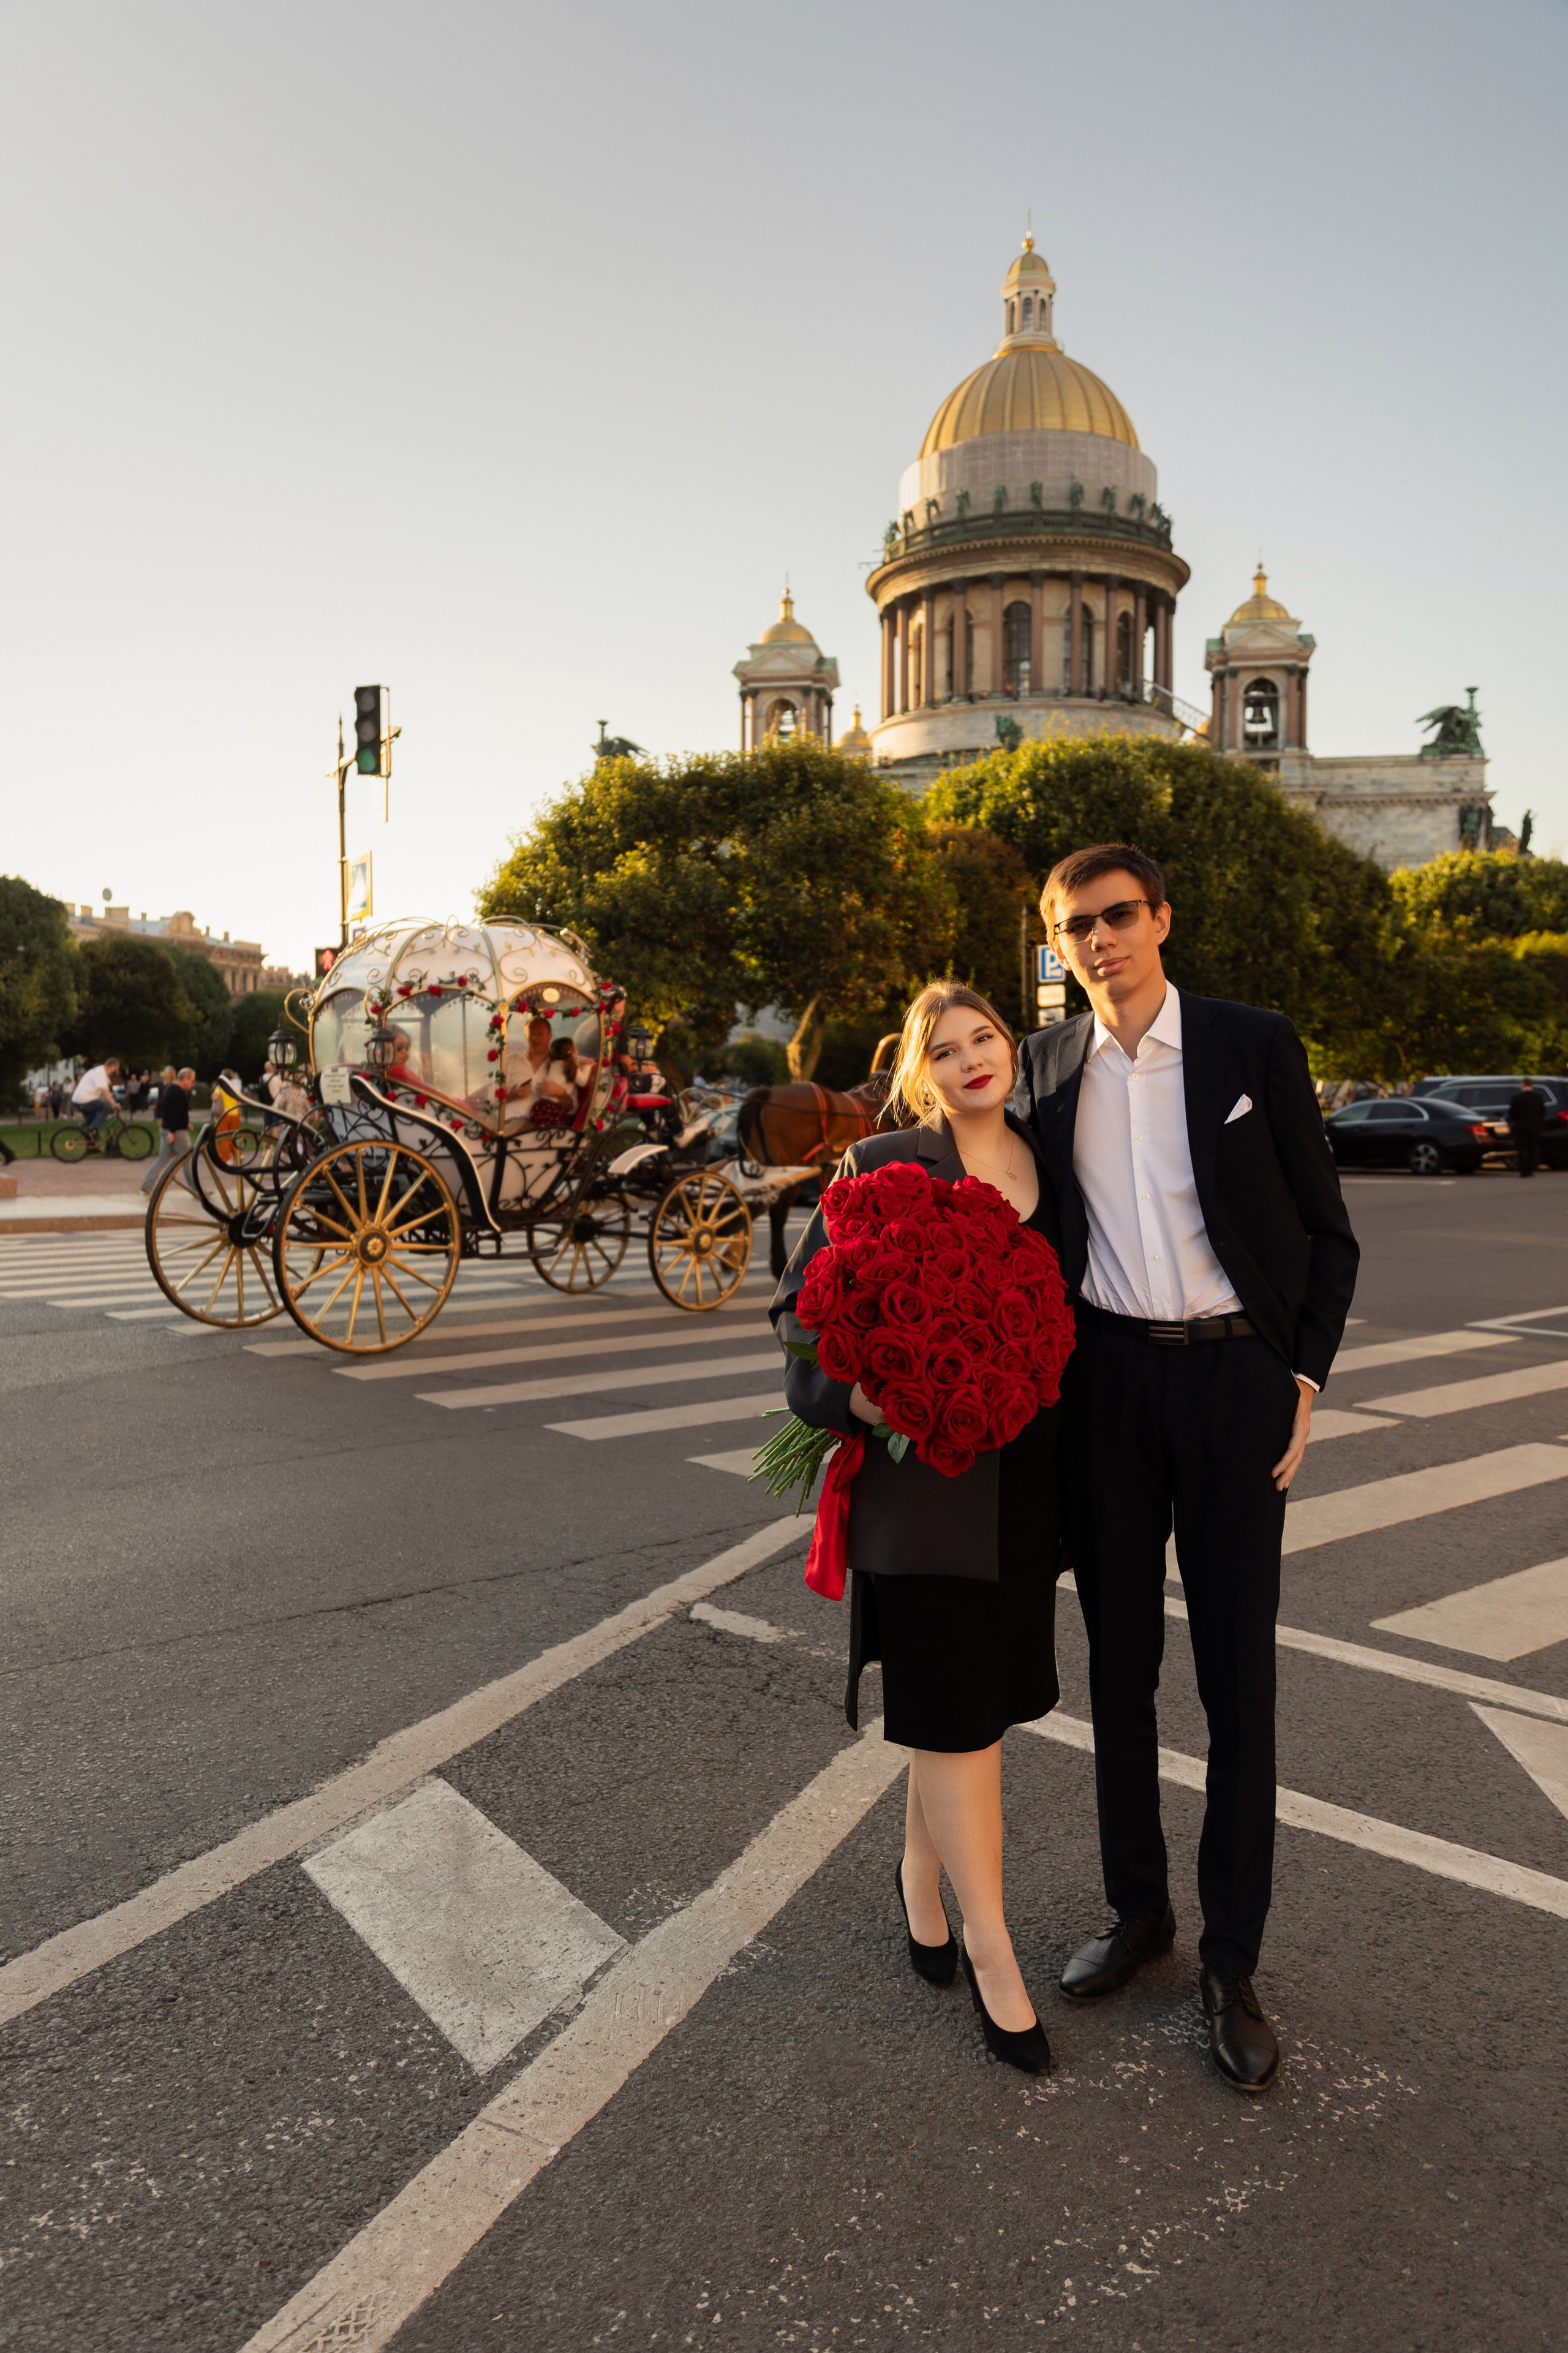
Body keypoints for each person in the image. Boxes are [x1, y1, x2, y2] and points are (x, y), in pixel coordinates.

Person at [1014, 844, 1359, 2094]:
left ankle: (1229, 1958)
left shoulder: (1244, 1043)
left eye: (1116, 916)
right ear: (1056, 947)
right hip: (1106, 1389)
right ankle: (1138, 1911)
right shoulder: (1047, 1067)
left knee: (1235, 1678)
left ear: (1160, 917)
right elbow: (969, 1162)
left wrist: (1298, 1377)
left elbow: (1328, 1233)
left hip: (1230, 1388)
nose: (1098, 939)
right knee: (1117, 1670)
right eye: (1073, 927)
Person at [772, 982, 1061, 2076]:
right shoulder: (888, 1163)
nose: (972, 1058)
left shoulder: (1052, 1161)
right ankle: (994, 1955)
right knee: (955, 1718)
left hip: (1030, 1487)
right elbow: (799, 1310)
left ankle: (917, 1877)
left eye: (984, 1037)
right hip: (924, 1483)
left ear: (1011, 1046)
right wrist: (862, 1401)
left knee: (974, 1705)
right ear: (920, 1073)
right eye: (945, 1049)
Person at [140, 1068, 195, 1194]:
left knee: (162, 1159)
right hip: (177, 1132)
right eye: (192, 1081)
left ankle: (146, 1187)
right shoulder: (177, 1092)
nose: (193, 1084)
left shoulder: (171, 1089)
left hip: (169, 1129)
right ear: (185, 1079)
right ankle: (196, 1189)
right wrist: (172, 1131)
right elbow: (175, 1113)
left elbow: (171, 1111)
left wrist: (185, 1124)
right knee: (187, 1159)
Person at [71, 1057, 120, 1136]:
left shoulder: (101, 1073)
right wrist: (113, 1104)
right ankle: (91, 1130)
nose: (117, 1070)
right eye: (117, 1068)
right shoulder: (100, 1073)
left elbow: (106, 1092)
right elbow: (105, 1091)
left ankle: (92, 1144)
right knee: (106, 1108)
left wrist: (111, 1101)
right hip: (84, 1100)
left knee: (93, 1124)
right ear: (114, 1066)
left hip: (82, 1100)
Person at [1508, 1076, 1545, 1177]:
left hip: (1521, 1128)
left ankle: (1523, 1170)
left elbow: (1512, 1113)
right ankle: (1531, 1169)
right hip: (1534, 1127)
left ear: (1524, 1084)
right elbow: (1542, 1112)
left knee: (1521, 1149)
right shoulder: (1538, 1097)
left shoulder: (1517, 1098)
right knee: (1532, 1148)